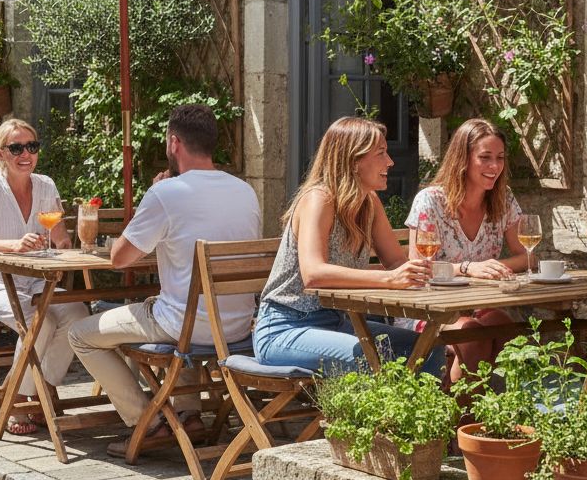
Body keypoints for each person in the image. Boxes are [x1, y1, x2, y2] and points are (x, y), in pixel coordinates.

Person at [68, 104, 261, 454]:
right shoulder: (244, 191)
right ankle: (190, 416)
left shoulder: (166, 193)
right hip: (236, 328)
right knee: (175, 307)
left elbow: (119, 259)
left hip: (185, 327)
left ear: (174, 143)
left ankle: (149, 422)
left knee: (80, 335)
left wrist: (150, 200)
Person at [253, 116, 441, 379]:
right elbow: (314, 274)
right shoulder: (319, 199)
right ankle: (370, 421)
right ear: (353, 160)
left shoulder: (369, 202)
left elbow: (397, 263)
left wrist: (424, 275)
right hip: (285, 329)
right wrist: (389, 279)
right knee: (369, 357)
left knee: (428, 349)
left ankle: (416, 420)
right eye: (381, 153)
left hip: (339, 323)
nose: (390, 162)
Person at [0, 118, 88, 435]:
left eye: (31, 146)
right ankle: (19, 398)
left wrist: (63, 243)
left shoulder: (46, 186)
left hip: (33, 282)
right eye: (16, 147)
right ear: (1, 153)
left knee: (77, 313)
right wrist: (14, 246)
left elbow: (60, 237)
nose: (25, 154)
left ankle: (40, 389)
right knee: (41, 320)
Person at [406, 118, 529, 383]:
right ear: (463, 158)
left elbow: (528, 255)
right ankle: (461, 421)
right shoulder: (431, 201)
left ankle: (494, 415)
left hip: (479, 306)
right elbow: (419, 268)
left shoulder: (502, 198)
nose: (494, 166)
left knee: (507, 328)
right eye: (485, 157)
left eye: (500, 157)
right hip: (432, 311)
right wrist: (468, 268)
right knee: (473, 335)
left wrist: (495, 268)